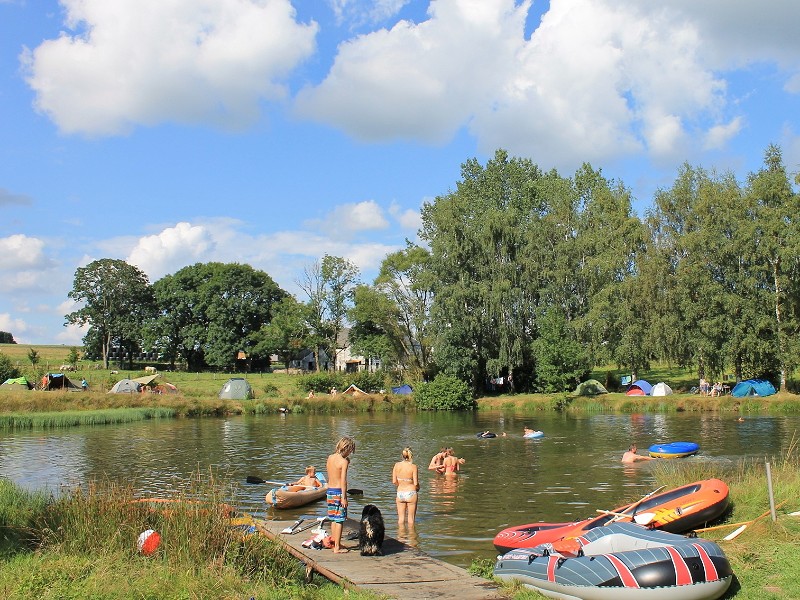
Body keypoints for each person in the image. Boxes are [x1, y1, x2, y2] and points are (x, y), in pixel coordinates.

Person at [326, 436, 355, 553]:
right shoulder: (343, 462)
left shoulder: (330, 457)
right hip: (338, 491)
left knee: (333, 518)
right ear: (346, 448)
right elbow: (343, 481)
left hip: (330, 491)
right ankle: (337, 547)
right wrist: (344, 498)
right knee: (340, 520)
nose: (350, 453)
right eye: (350, 451)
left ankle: (335, 543)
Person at [392, 447, 419, 525]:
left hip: (400, 492)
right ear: (411, 455)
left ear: (402, 455)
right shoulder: (413, 467)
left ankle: (400, 536)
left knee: (401, 520)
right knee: (411, 521)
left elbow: (394, 481)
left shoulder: (396, 465)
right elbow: (416, 483)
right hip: (411, 492)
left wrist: (400, 485)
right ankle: (412, 536)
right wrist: (417, 488)